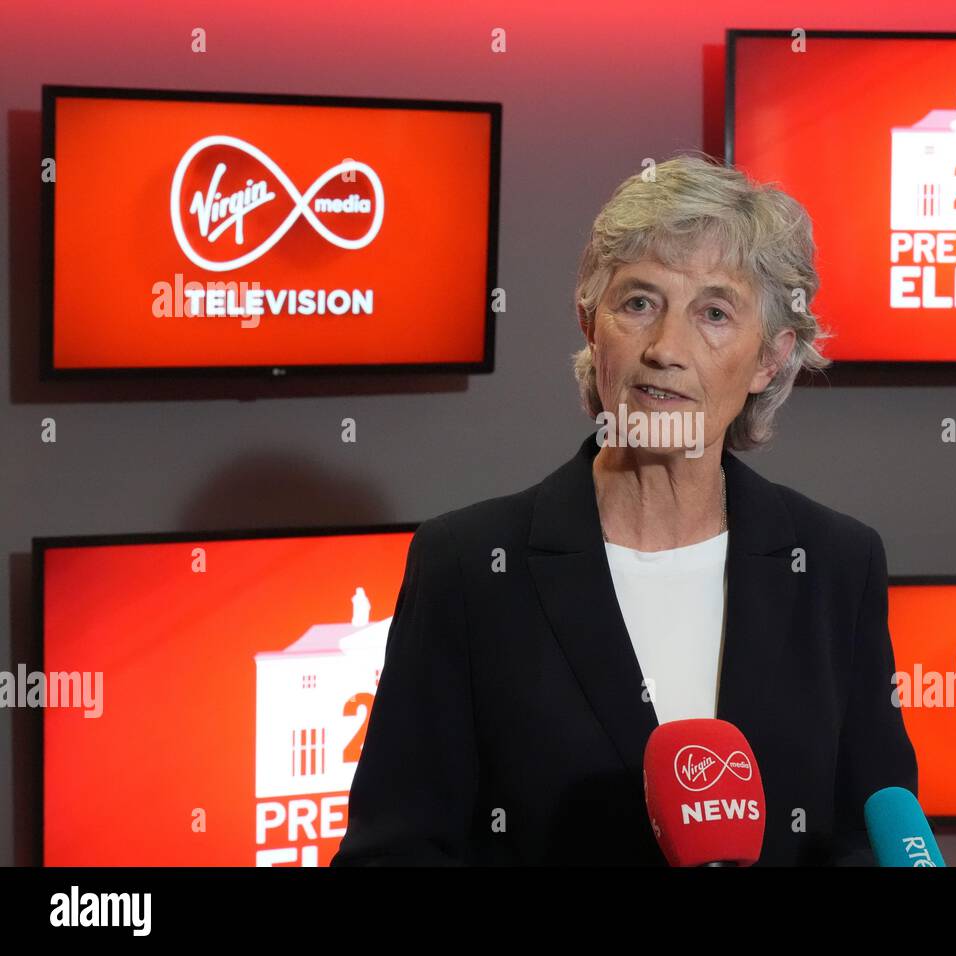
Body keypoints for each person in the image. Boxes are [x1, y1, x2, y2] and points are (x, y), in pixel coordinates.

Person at [331, 153, 918, 866]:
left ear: (770, 357)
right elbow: (393, 854)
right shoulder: (470, 566)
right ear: (590, 323)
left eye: (714, 313)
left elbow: (871, 831)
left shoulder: (835, 564)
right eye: (639, 303)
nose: (665, 349)